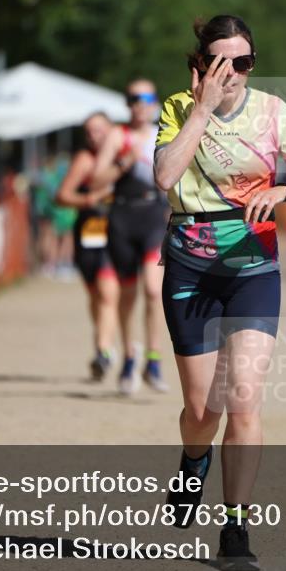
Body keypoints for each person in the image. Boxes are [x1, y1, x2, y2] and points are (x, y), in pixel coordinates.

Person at [153, 15, 286, 564]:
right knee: (203, 409)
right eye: (222, 63)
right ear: (202, 65)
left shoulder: (274, 113)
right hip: (190, 269)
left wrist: (282, 190)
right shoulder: (179, 108)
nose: (234, 74)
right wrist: (202, 110)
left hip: (254, 269)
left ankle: (235, 530)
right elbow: (163, 177)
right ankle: (192, 459)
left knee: (244, 398)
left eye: (244, 63)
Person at [91, 79, 170, 395]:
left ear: (155, 102)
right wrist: (123, 162)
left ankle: (153, 359)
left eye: (148, 97)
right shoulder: (117, 136)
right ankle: (128, 357)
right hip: (122, 217)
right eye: (135, 98)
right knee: (127, 296)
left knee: (153, 290)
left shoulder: (163, 134)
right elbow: (96, 177)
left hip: (153, 215)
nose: (141, 103)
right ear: (127, 103)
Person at [56, 112, 120, 381]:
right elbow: (62, 195)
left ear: (112, 131)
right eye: (89, 132)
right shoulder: (85, 160)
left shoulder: (123, 157)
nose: (95, 136)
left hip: (119, 230)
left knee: (108, 291)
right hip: (91, 229)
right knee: (96, 294)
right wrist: (89, 199)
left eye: (100, 130)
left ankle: (104, 352)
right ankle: (103, 343)